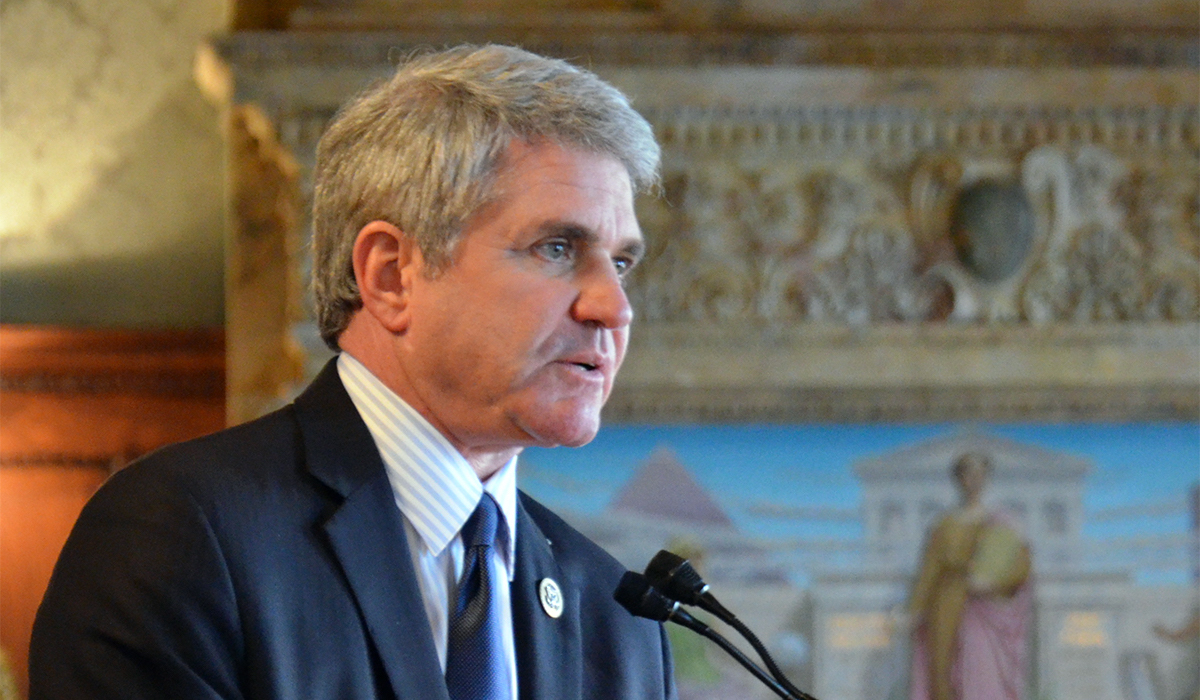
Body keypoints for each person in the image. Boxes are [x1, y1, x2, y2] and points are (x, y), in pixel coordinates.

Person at [29, 44, 676, 700]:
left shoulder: (617, 619)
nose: (612, 307)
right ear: (391, 275)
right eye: (557, 248)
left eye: (621, 263)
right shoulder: (181, 535)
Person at [903, 452, 1033, 700]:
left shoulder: (1001, 522)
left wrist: (992, 584)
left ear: (986, 479)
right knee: (942, 673)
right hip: (946, 605)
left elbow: (1019, 567)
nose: (973, 481)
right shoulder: (944, 525)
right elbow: (930, 571)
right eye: (967, 474)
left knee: (983, 672)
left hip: (984, 609)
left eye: (979, 475)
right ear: (958, 479)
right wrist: (913, 611)